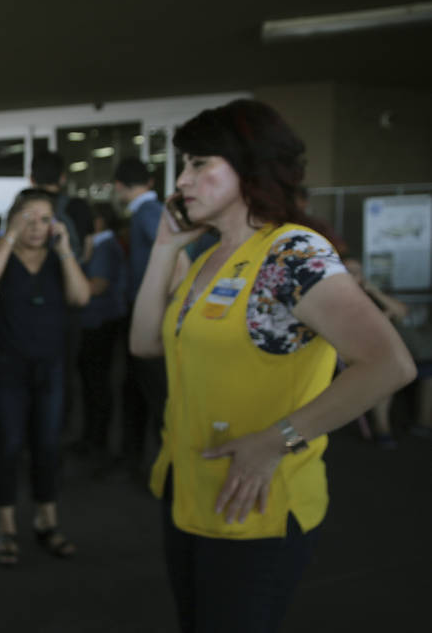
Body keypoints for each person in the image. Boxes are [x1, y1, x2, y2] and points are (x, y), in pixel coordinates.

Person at [129, 99, 416, 632]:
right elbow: (145, 341)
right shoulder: (205, 259)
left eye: (198, 164)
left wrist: (277, 439)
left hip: (255, 503)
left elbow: (388, 365)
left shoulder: (292, 254)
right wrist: (165, 247)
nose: (181, 181)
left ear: (249, 167)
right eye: (182, 165)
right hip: (191, 491)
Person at [0, 188, 90, 565]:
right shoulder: (3, 256)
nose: (37, 227)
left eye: (45, 219)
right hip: (5, 368)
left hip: (51, 369)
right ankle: (6, 526)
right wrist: (10, 235)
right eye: (29, 218)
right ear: (14, 220)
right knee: (7, 447)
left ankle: (47, 521)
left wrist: (67, 249)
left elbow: (81, 297)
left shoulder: (59, 259)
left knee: (48, 446)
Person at [114, 157, 170, 480]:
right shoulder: (151, 213)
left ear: (120, 186)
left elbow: (172, 261)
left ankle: (159, 463)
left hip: (149, 310)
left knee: (153, 388)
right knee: (138, 385)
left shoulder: (148, 215)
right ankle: (137, 457)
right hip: (145, 308)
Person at [73, 201, 128, 463]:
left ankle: (98, 442)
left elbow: (96, 286)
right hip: (96, 321)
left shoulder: (104, 248)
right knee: (92, 382)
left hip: (101, 322)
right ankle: (92, 438)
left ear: (98, 222)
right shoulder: (101, 245)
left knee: (98, 383)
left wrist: (72, 277)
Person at [344, 257, 409, 448]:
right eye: (347, 271)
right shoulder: (337, 296)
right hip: (352, 352)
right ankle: (382, 427)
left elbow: (402, 311)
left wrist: (374, 290)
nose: (351, 276)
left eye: (356, 272)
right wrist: (384, 318)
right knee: (383, 373)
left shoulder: (369, 294)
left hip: (379, 350)